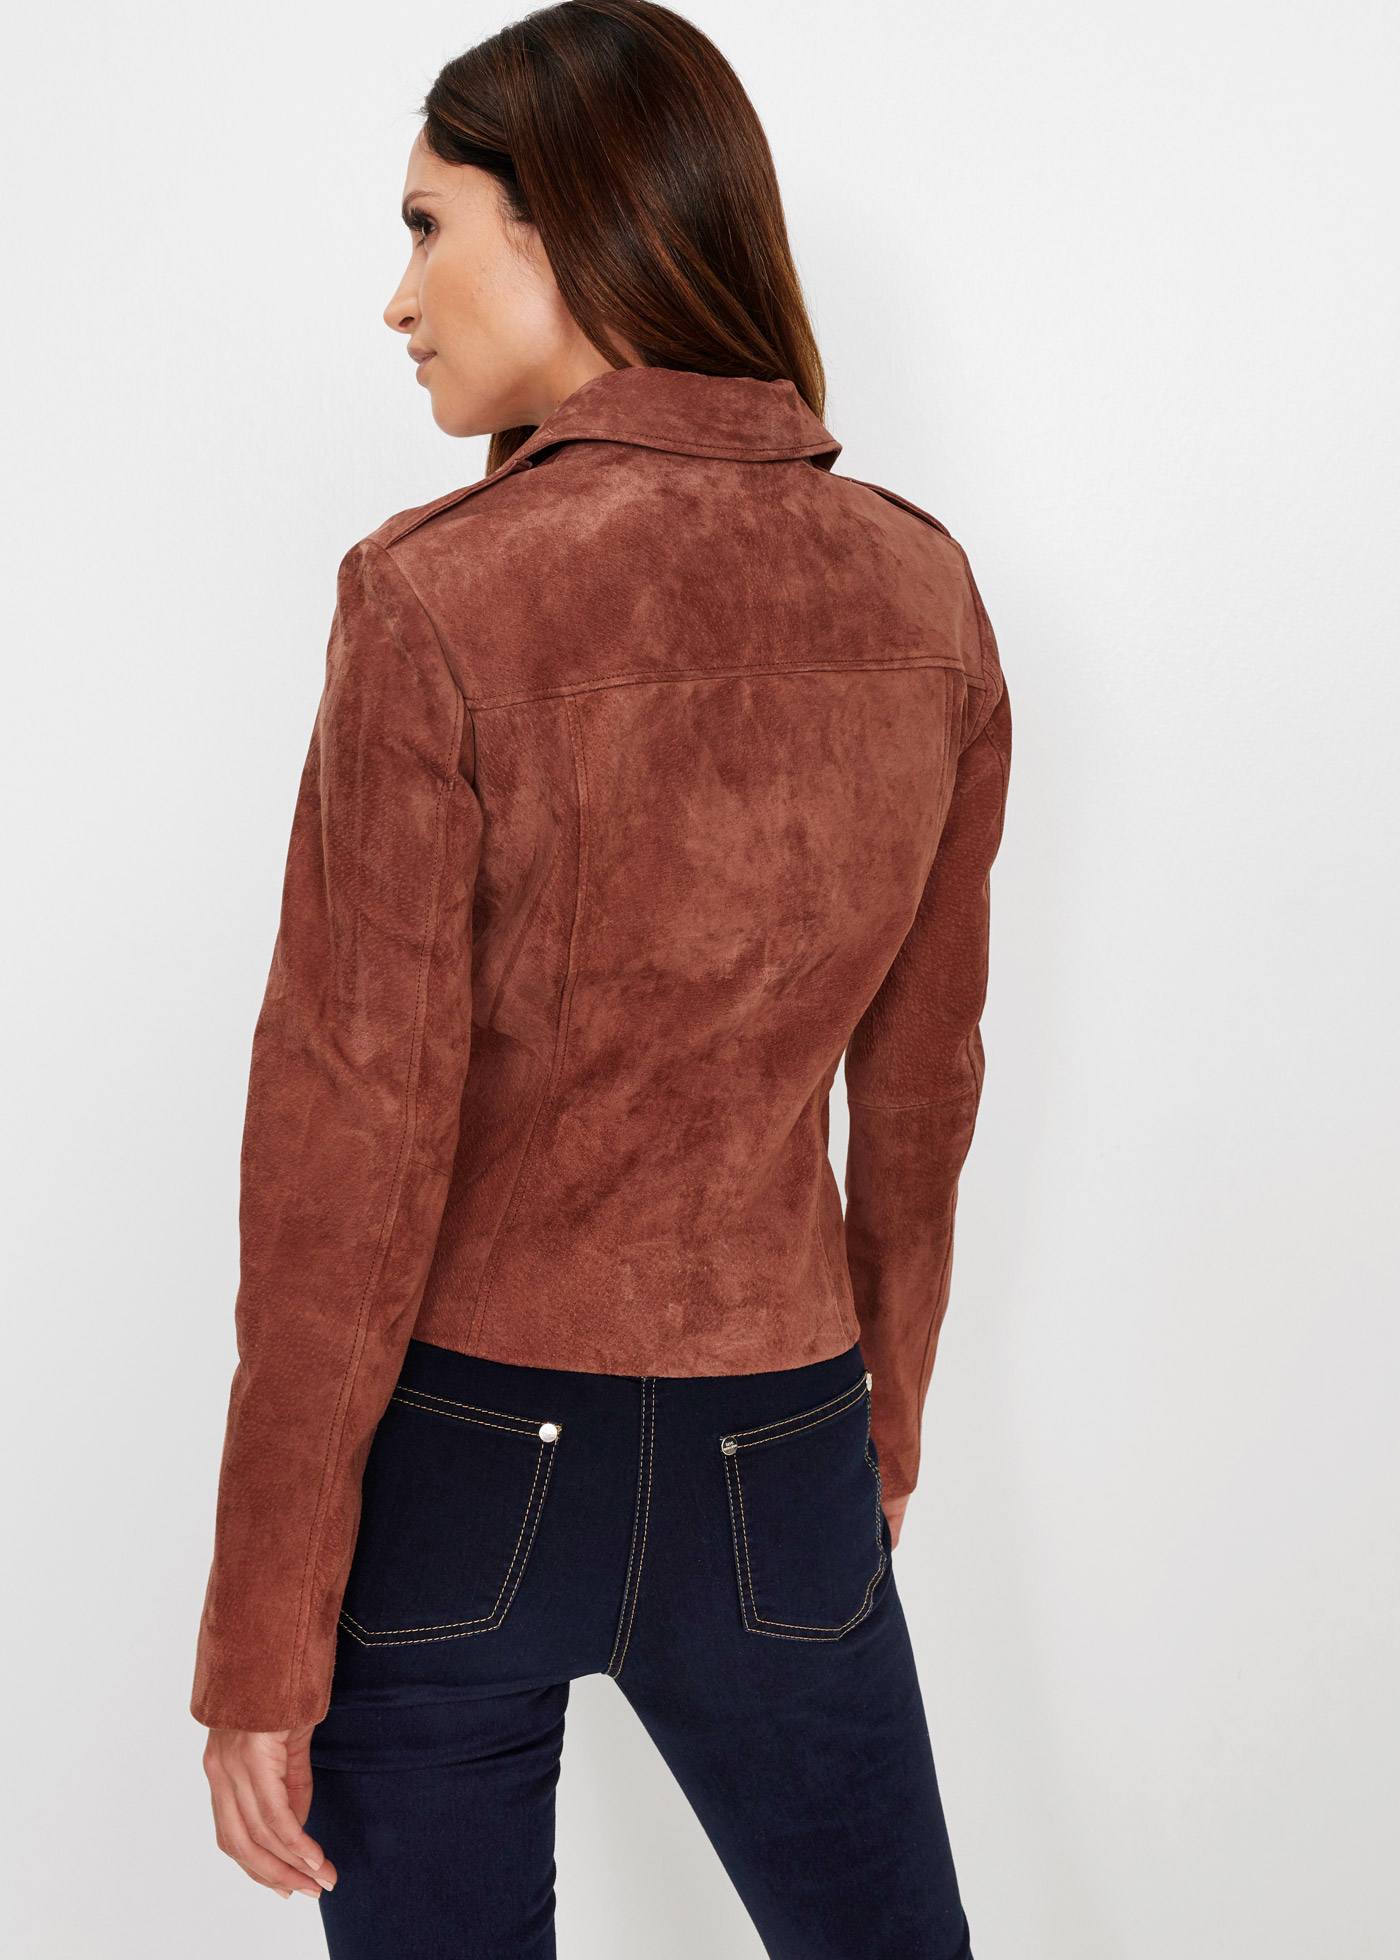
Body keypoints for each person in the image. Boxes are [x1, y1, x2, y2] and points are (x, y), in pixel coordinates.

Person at [192, 4, 1011, 1955]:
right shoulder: (923, 591)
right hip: (779, 1449)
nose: (399, 298)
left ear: (560, 223)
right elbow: (924, 1083)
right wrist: (876, 1434)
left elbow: (348, 1142)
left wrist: (260, 1628)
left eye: (426, 225)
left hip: (465, 1462)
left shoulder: (435, 595)